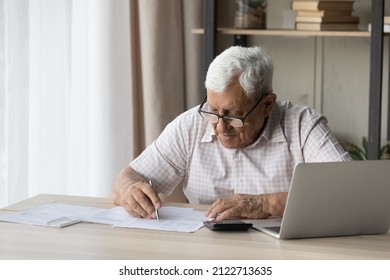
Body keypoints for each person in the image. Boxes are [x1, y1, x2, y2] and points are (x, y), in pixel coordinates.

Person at [112, 46, 351, 221]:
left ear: (267, 105)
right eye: (214, 111)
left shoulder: (302, 125)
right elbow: (127, 177)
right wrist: (129, 191)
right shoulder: (191, 124)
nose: (219, 127)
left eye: (233, 116)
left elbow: (348, 192)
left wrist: (266, 203)